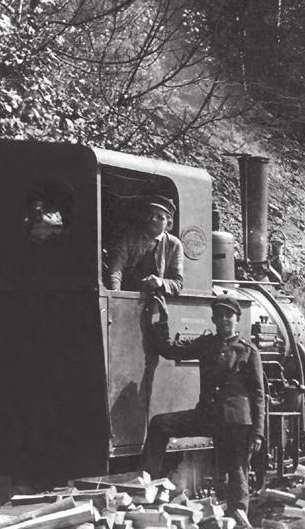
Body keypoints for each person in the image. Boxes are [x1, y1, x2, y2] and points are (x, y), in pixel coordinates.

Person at [141, 294, 264, 512]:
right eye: (219, 315)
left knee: (237, 471)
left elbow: (258, 394)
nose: (224, 319)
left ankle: (240, 519)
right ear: (214, 320)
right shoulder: (207, 344)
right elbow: (170, 350)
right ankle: (149, 487)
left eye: (229, 315)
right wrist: (163, 321)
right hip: (207, 416)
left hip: (235, 422)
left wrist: (258, 432)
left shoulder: (248, 351)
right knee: (159, 424)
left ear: (237, 319)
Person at [105, 195, 184, 295]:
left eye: (160, 217)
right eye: (150, 214)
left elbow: (178, 284)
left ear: (169, 224)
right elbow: (116, 269)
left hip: (157, 303)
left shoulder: (174, 245)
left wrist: (161, 282)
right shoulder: (129, 238)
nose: (153, 219)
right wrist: (116, 293)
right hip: (128, 297)